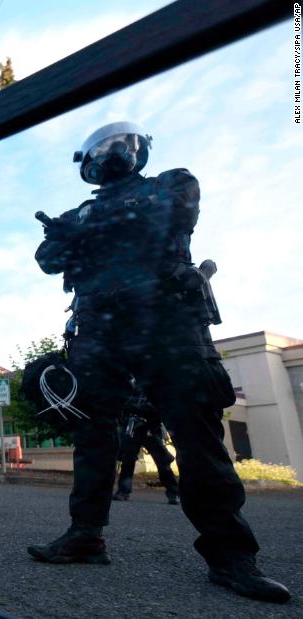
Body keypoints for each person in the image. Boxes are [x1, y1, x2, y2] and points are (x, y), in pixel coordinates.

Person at [27, 122, 290, 603]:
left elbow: (174, 216)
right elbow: (47, 258)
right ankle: (85, 535)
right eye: (101, 152)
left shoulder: (170, 183)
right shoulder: (79, 211)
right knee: (92, 430)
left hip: (167, 321)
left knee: (195, 430)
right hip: (99, 327)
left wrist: (88, 231)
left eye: (117, 147)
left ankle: (231, 556)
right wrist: (82, 230)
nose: (109, 156)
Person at [113, 388, 179, 504]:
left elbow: (162, 406)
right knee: (127, 460)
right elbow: (122, 403)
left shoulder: (153, 384)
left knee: (162, 462)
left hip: (150, 428)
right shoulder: (132, 385)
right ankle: (123, 491)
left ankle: (173, 493)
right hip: (133, 427)